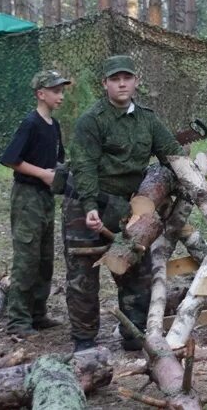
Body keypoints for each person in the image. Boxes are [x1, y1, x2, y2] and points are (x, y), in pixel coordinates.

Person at [63, 55, 184, 353]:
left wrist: (198, 182)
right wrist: (90, 205)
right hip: (85, 205)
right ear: (105, 84)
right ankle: (84, 341)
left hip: (128, 209)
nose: (121, 84)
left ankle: (133, 333)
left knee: (136, 272)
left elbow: (173, 154)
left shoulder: (147, 119)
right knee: (83, 276)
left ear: (135, 81)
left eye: (126, 78)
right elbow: (84, 167)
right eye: (115, 79)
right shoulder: (92, 121)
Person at [0, 69, 71, 338]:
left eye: (61, 91)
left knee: (44, 258)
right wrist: (42, 174)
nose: (60, 96)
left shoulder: (54, 126)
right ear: (41, 94)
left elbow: (57, 161)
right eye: (55, 91)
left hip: (45, 198)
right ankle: (18, 320)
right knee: (26, 258)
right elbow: (10, 159)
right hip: (27, 196)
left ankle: (38, 314)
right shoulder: (30, 123)